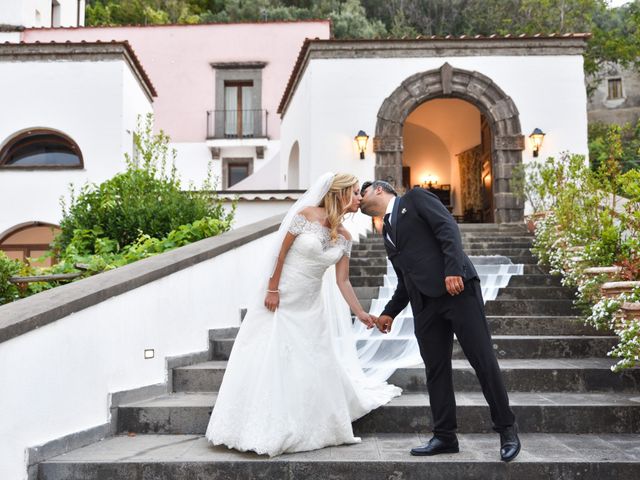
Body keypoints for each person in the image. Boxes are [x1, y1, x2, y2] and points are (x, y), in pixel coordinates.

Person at [206, 172, 401, 457]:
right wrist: (272, 289)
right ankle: (259, 423)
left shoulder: (345, 237)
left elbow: (342, 281)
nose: (360, 197)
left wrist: (360, 312)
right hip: (283, 299)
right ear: (341, 193)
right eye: (357, 192)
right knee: (271, 357)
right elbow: (280, 254)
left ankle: (308, 423)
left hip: (311, 306)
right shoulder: (305, 214)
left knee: (310, 361)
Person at [359, 180, 521, 462]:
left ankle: (507, 430)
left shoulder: (416, 198)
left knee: (482, 359)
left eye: (362, 193)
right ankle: (445, 436)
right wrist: (389, 312)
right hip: (424, 305)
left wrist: (453, 269)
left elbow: (448, 229)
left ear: (379, 190)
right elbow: (404, 278)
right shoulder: (386, 231)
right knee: (436, 370)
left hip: (457, 291)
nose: (358, 199)